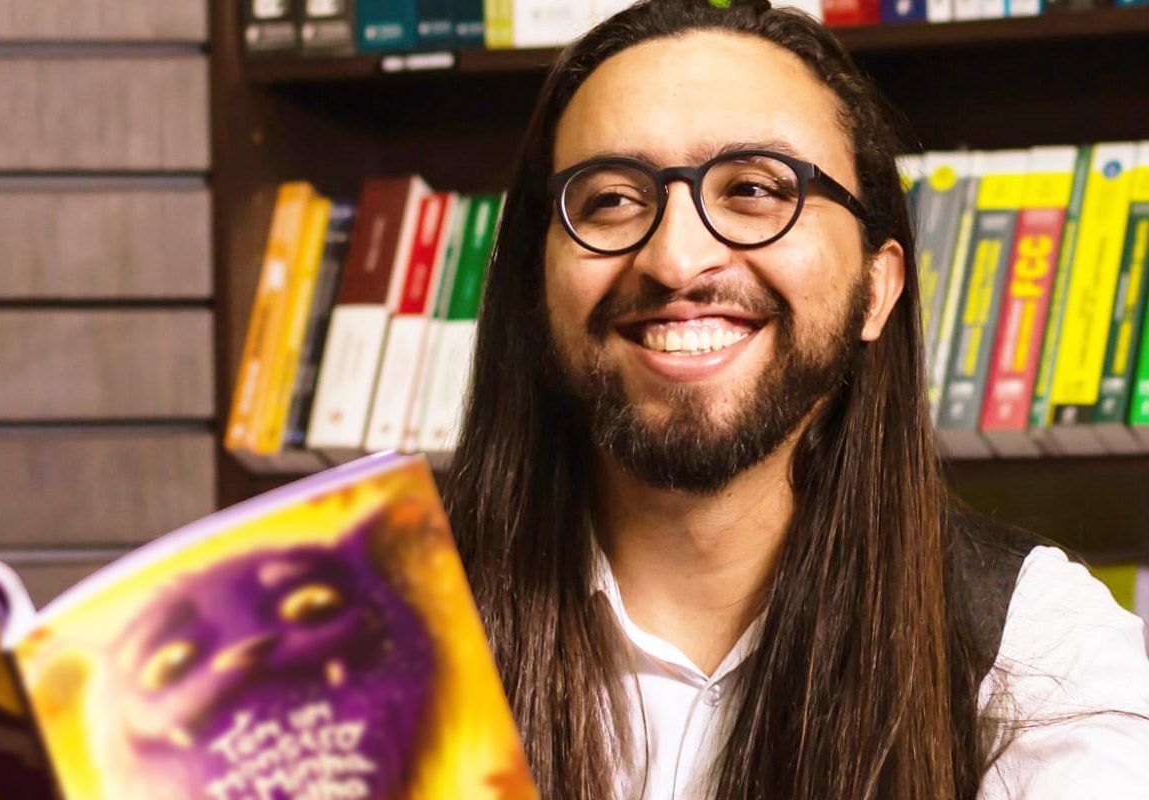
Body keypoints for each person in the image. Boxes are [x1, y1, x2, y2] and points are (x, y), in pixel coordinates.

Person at [443, 1, 1149, 798]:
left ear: (877, 288)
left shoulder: (1037, 647)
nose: (676, 260)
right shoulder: (366, 619)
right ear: (534, 285)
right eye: (610, 200)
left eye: (754, 189)